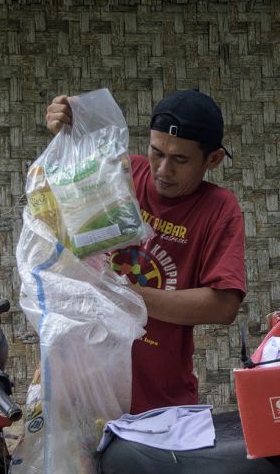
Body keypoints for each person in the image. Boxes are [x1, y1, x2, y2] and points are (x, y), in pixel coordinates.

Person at [45, 89, 246, 414]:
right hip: (81, 387)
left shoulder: (218, 210)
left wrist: (122, 293)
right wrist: (68, 132)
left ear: (213, 159)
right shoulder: (121, 175)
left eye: (180, 160)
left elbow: (223, 306)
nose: (164, 170)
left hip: (159, 404)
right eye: (156, 153)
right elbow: (67, 197)